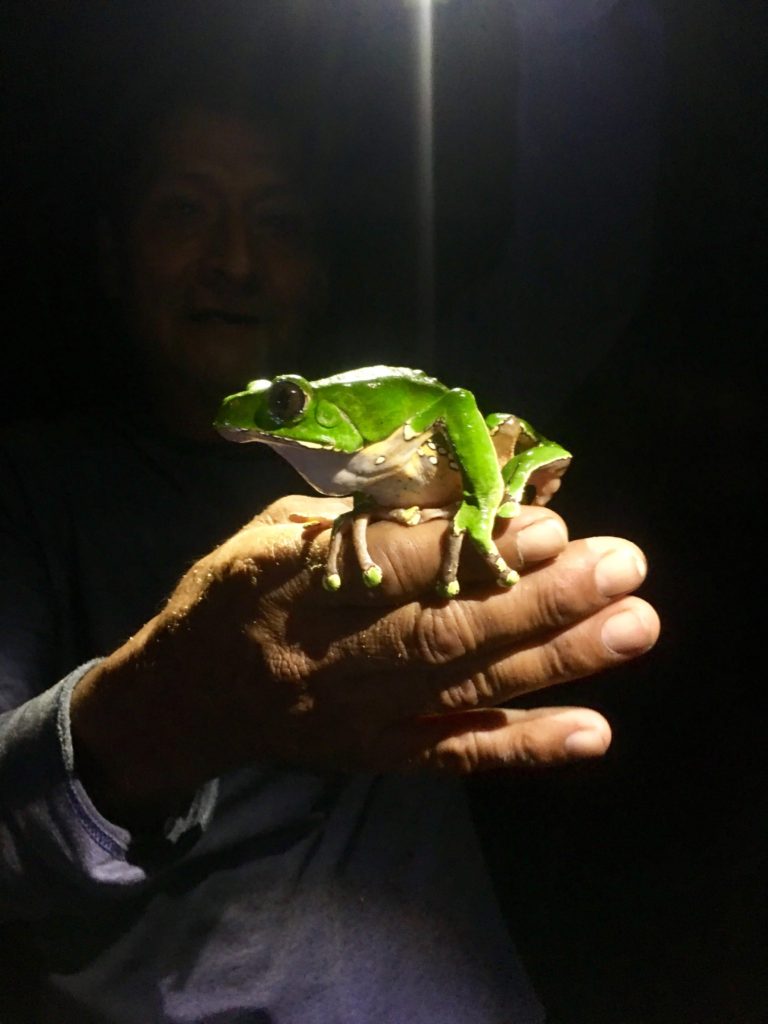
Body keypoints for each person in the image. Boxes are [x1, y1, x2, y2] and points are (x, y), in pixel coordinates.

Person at [0, 95, 659, 1022]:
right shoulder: (30, 490)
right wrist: (178, 700)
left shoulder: (381, 423)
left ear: (320, 267)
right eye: (185, 209)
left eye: (277, 220)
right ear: (111, 255)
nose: (233, 259)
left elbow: (587, 261)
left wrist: (479, 498)